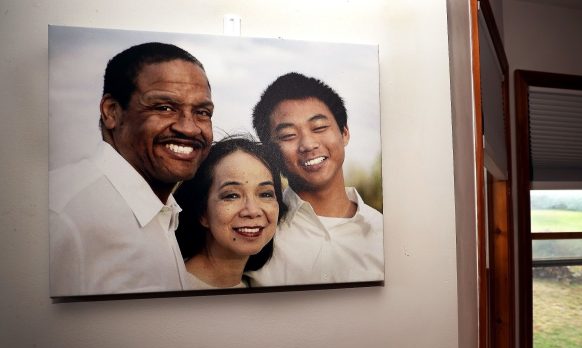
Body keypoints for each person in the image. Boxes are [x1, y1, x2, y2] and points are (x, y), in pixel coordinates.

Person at [49, 42, 214, 297]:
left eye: (202, 112)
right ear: (111, 112)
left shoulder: (162, 211)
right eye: (164, 107)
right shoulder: (63, 215)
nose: (190, 128)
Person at [247, 72, 384, 286]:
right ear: (270, 151)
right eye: (288, 135)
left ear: (345, 132)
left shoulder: (383, 232)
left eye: (319, 128)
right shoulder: (253, 233)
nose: (308, 145)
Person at [174, 135, 287, 289]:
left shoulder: (260, 287)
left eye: (265, 194)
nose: (252, 211)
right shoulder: (172, 287)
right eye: (232, 195)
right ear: (202, 212)